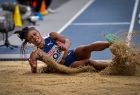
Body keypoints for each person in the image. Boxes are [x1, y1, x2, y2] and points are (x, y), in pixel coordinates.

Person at [15, 27, 111, 73]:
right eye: (31, 38)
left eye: (35, 34)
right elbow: (34, 70)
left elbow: (67, 40)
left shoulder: (51, 35)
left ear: (38, 32)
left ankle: (112, 44)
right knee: (89, 62)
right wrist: (33, 67)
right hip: (68, 65)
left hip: (73, 53)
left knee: (87, 48)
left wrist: (66, 46)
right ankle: (113, 67)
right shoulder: (35, 53)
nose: (35, 38)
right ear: (29, 41)